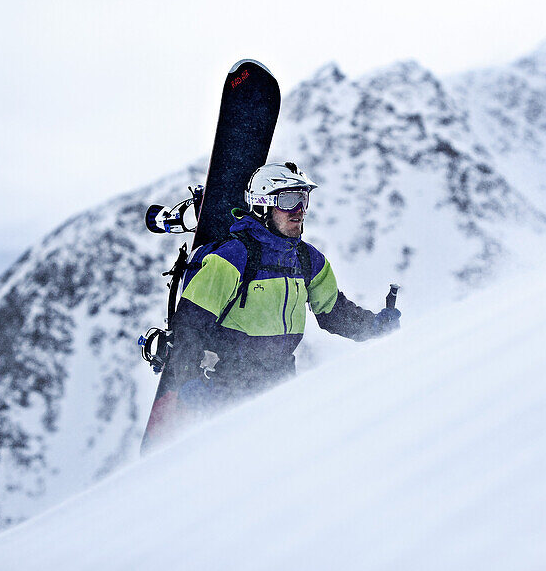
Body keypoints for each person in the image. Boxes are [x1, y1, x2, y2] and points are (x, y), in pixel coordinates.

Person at [170, 161, 401, 414]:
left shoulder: (308, 259)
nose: (299, 210)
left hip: (282, 385)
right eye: (289, 200)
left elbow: (334, 313)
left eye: (303, 199)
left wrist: (376, 327)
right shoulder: (232, 258)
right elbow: (189, 325)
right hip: (225, 387)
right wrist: (187, 382)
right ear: (262, 205)